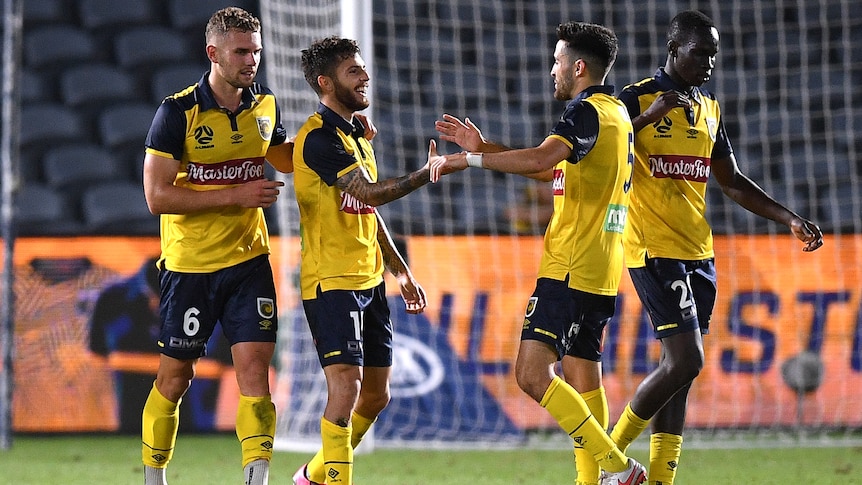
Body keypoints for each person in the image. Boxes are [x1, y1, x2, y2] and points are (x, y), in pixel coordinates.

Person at [608, 10, 824, 485]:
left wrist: (789, 217)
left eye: (713, 54)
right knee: (688, 359)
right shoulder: (634, 98)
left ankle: (661, 479)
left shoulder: (709, 108)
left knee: (679, 373)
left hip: (699, 254)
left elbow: (732, 182)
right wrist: (647, 118)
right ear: (673, 47)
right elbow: (602, 153)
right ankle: (606, 454)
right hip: (652, 248)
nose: (708, 62)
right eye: (698, 52)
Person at [431, 22, 645, 485]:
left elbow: (541, 159)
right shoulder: (616, 114)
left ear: (579, 66)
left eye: (557, 61)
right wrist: (485, 146)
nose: (553, 70)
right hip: (602, 268)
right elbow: (556, 174)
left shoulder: (584, 112)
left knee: (531, 374)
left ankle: (618, 468)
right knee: (586, 378)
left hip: (569, 266)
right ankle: (596, 480)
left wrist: (468, 160)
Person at [140, 7, 294, 485]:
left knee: (254, 372)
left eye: (257, 51)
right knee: (175, 378)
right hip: (190, 268)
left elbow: (285, 158)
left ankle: (256, 478)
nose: (252, 61)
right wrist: (236, 194)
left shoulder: (265, 103)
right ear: (214, 53)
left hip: (249, 261)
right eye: (242, 52)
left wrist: (338, 136)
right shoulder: (176, 112)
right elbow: (156, 196)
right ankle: (153, 475)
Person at [291, 36, 433, 485]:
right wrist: (423, 175)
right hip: (331, 282)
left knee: (375, 396)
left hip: (369, 282)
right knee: (346, 386)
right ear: (325, 82)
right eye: (354, 71)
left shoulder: (358, 138)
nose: (365, 76)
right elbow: (369, 192)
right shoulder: (318, 139)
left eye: (363, 68)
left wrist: (399, 269)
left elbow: (367, 211)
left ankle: (315, 474)